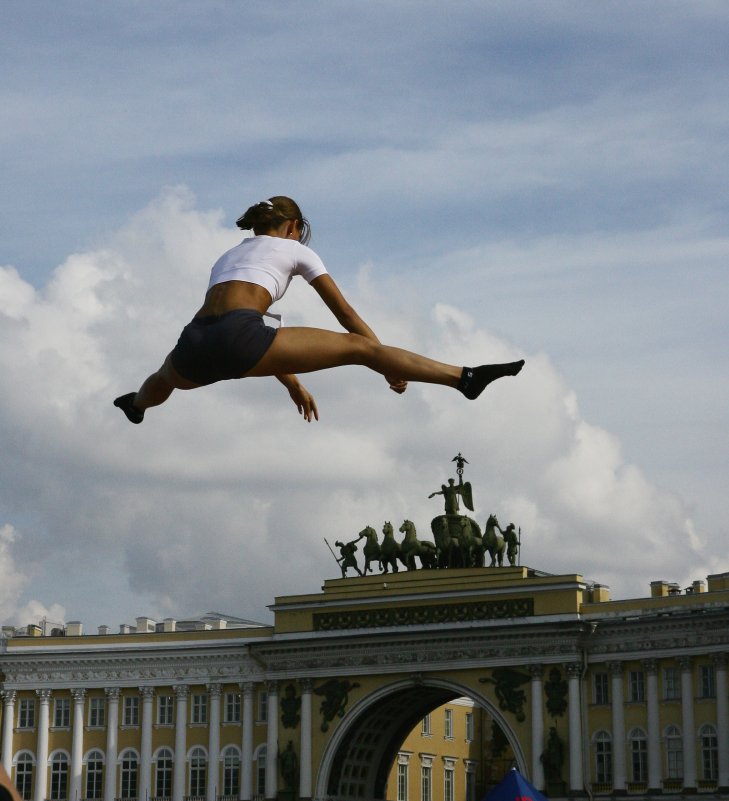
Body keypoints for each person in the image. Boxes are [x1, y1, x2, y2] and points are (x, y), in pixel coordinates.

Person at [114, 196, 524, 424]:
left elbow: (257, 340)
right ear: (292, 228)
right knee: (358, 348)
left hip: (194, 341)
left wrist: (293, 386)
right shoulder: (294, 250)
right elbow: (345, 315)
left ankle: (135, 406)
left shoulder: (228, 256)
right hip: (240, 335)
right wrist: (386, 365)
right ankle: (464, 379)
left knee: (164, 377)